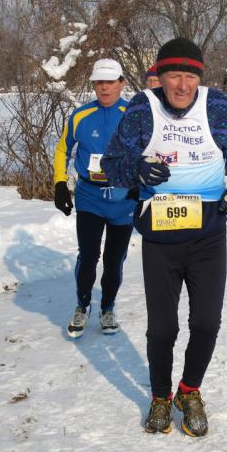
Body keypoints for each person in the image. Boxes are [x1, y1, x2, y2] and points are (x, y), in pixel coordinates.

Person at [101, 38, 227, 437]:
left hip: (207, 235)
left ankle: (189, 391)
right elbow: (113, 163)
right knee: (163, 328)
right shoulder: (142, 108)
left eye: (189, 76)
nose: (182, 85)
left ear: (198, 78)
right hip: (161, 239)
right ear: (160, 76)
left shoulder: (216, 106)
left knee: (206, 322)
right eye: (174, 75)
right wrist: (136, 169)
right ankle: (159, 396)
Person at [53, 58, 136, 338]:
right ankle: (82, 305)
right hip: (90, 197)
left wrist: (142, 184)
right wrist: (60, 183)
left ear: (121, 83)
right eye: (99, 82)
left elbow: (150, 150)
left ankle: (108, 308)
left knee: (115, 260)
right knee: (88, 256)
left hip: (124, 198)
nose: (104, 88)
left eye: (110, 82)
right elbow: (62, 149)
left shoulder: (134, 114)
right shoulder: (80, 115)